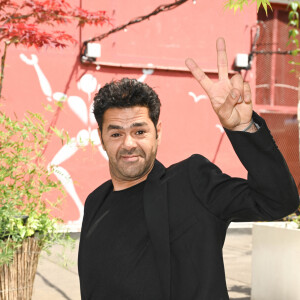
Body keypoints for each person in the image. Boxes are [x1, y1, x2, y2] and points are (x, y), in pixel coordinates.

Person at [78, 38, 299, 300]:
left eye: (139, 131)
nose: (129, 144)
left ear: (157, 132)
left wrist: (243, 128)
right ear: (101, 138)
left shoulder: (191, 183)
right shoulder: (95, 202)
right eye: (116, 134)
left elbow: (278, 201)